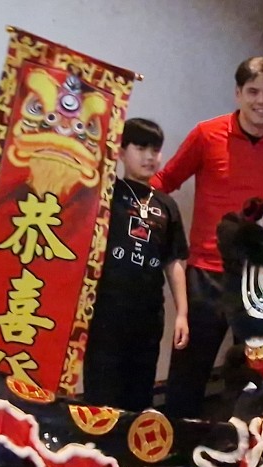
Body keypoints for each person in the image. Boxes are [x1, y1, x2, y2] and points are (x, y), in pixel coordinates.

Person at [152, 57, 263, 419]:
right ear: (238, 93)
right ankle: (178, 448)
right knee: (188, 373)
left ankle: (245, 450)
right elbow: (164, 181)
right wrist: (128, 211)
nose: (261, 100)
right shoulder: (206, 134)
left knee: (255, 372)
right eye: (253, 91)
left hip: (256, 279)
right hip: (206, 274)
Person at [83, 118, 189, 411]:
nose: (149, 156)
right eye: (140, 148)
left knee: (139, 391)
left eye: (155, 149)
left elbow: (174, 261)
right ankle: (98, 452)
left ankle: (130, 455)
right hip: (106, 312)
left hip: (148, 315)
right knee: (102, 390)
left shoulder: (167, 205)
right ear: (120, 151)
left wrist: (182, 313)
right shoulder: (106, 194)